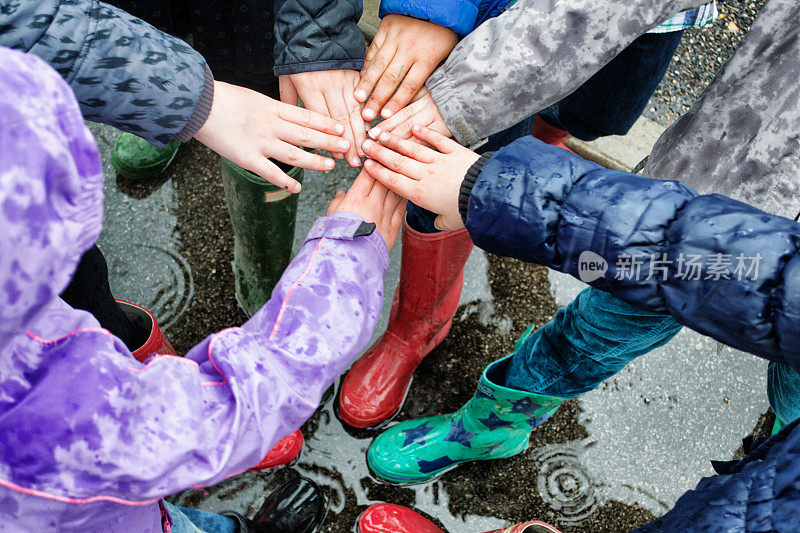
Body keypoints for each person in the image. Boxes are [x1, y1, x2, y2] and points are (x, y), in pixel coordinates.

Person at [0, 45, 404, 532]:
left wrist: (192, 101)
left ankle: (177, 454)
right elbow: (241, 401)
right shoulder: (51, 412)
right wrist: (347, 259)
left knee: (88, 303)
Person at [336, 0, 720, 429]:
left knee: (600, 115)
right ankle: (418, 323)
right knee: (448, 165)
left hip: (661, 15)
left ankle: (540, 144)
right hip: (515, 16)